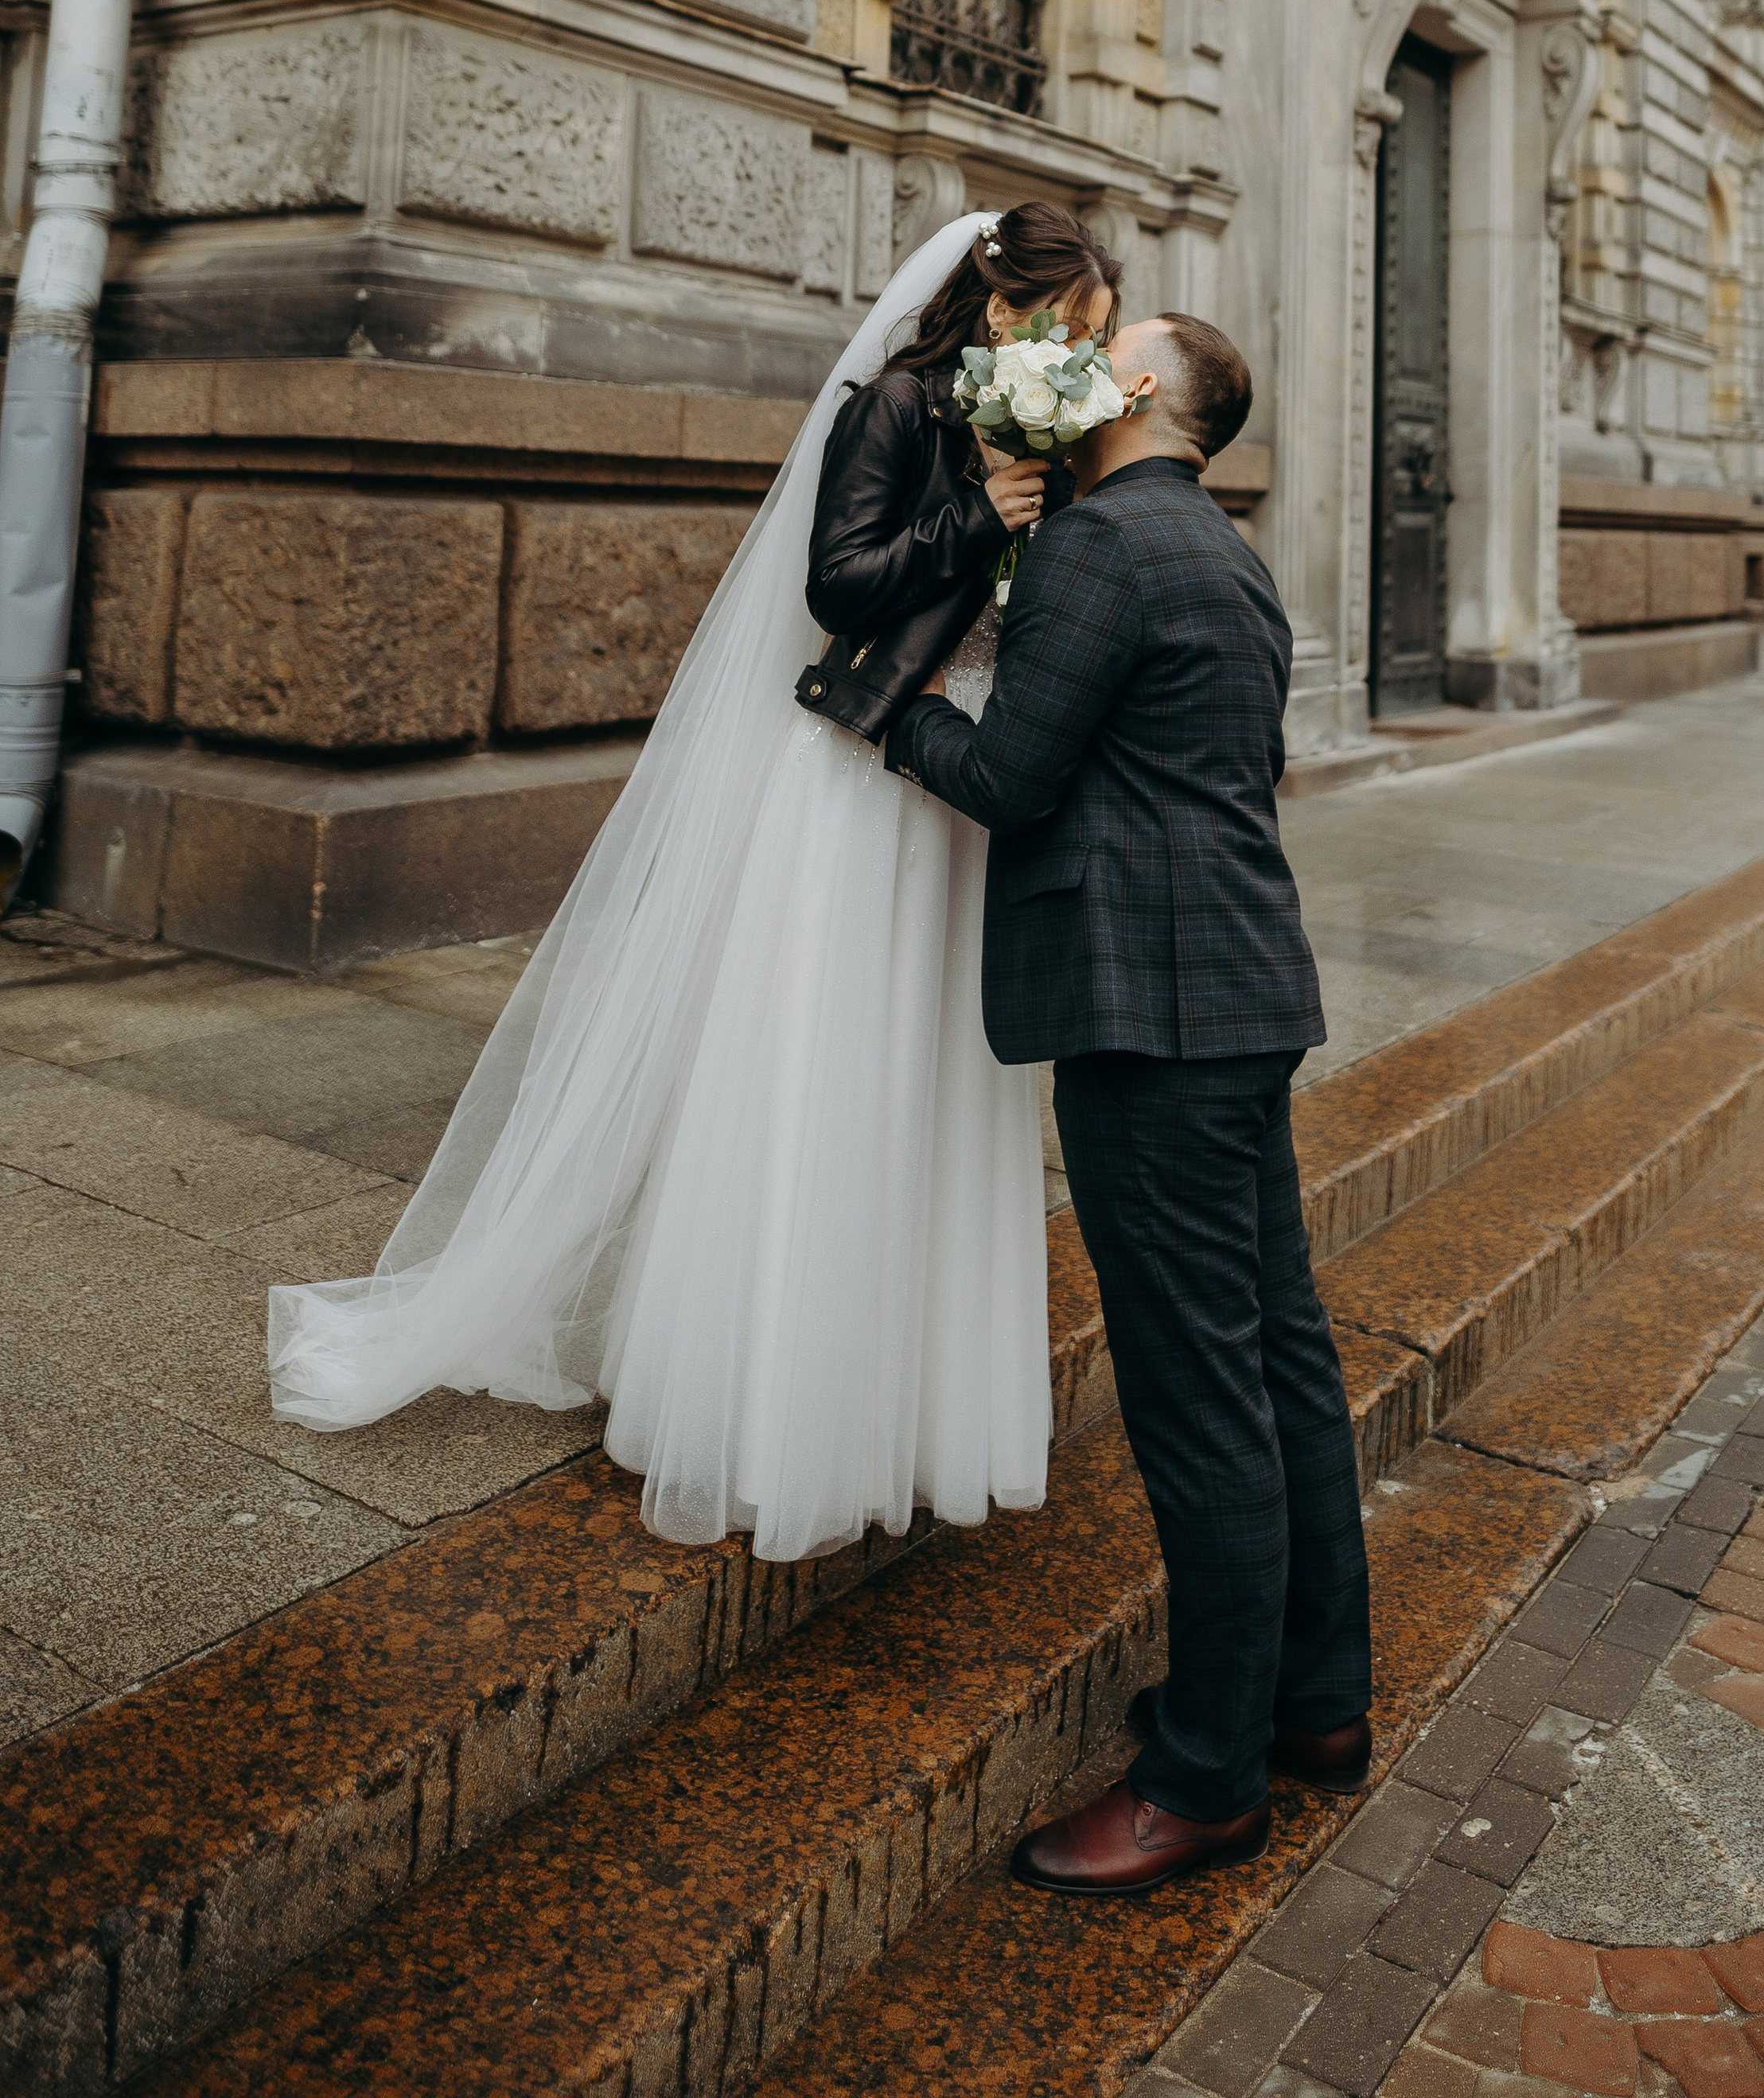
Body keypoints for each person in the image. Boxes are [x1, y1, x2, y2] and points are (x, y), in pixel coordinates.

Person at [267, 203, 1121, 1563]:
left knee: (930, 1085)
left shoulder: (1035, 436)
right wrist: (979, 514)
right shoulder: (895, 404)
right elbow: (840, 584)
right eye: (1063, 323)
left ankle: (912, 1404)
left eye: (1090, 335)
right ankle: (774, 1406)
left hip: (959, 784)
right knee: (824, 1075)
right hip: (858, 784)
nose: (1075, 349)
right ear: (997, 301)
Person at [885, 313, 1373, 1894]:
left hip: (1151, 1015)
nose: (1088, 348)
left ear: (1150, 393)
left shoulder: (1104, 543)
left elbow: (1011, 777)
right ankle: (1311, 1701)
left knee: (1197, 1395)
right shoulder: (1218, 552)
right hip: (1234, 992)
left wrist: (879, 708)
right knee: (1280, 1363)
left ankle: (1205, 1779)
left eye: (1118, 338)